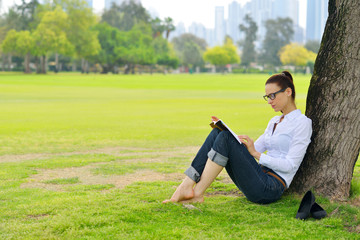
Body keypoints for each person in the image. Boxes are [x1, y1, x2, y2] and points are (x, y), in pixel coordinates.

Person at [163, 71, 312, 204]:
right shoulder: (274, 121)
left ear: (287, 91)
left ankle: (197, 194)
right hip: (258, 177)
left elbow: (291, 165)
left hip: (270, 187)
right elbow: (247, 151)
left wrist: (257, 155)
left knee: (225, 138)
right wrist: (227, 130)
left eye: (272, 96)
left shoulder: (302, 123)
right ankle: (186, 186)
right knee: (218, 133)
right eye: (267, 97)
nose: (269, 101)